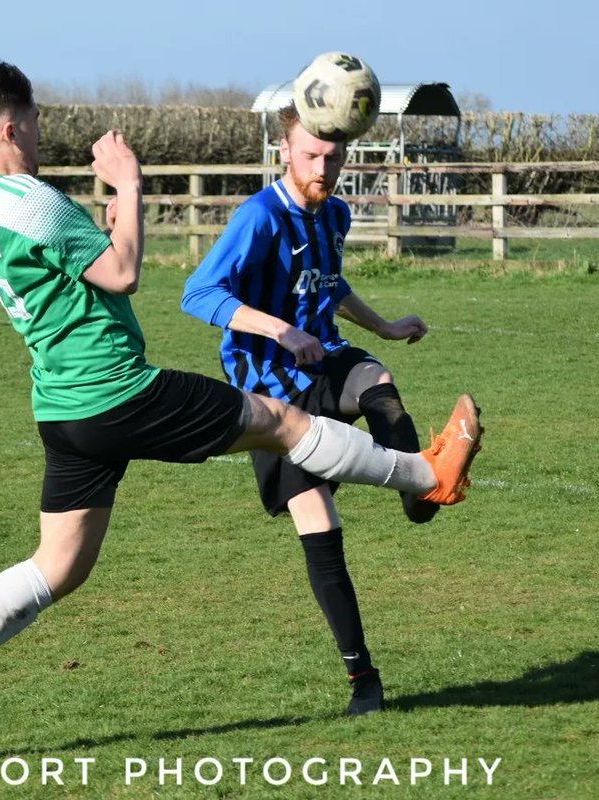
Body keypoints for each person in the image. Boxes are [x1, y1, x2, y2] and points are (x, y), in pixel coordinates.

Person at [0, 62, 482, 765]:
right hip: (118, 390)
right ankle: (425, 475)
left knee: (58, 566)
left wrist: (111, 214)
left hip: (63, 407)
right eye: (38, 121)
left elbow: (78, 269)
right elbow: (123, 271)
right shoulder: (31, 198)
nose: (43, 134)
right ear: (12, 127)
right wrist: (130, 185)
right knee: (280, 421)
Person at [180, 101, 481, 714]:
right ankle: (362, 677)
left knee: (375, 377)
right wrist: (282, 332)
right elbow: (198, 292)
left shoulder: (335, 214)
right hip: (270, 388)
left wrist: (389, 326)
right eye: (311, 154)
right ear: (285, 152)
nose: (324, 166)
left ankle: (420, 489)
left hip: (326, 360)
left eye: (333, 156)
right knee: (319, 524)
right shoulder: (259, 216)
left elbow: (329, 285)